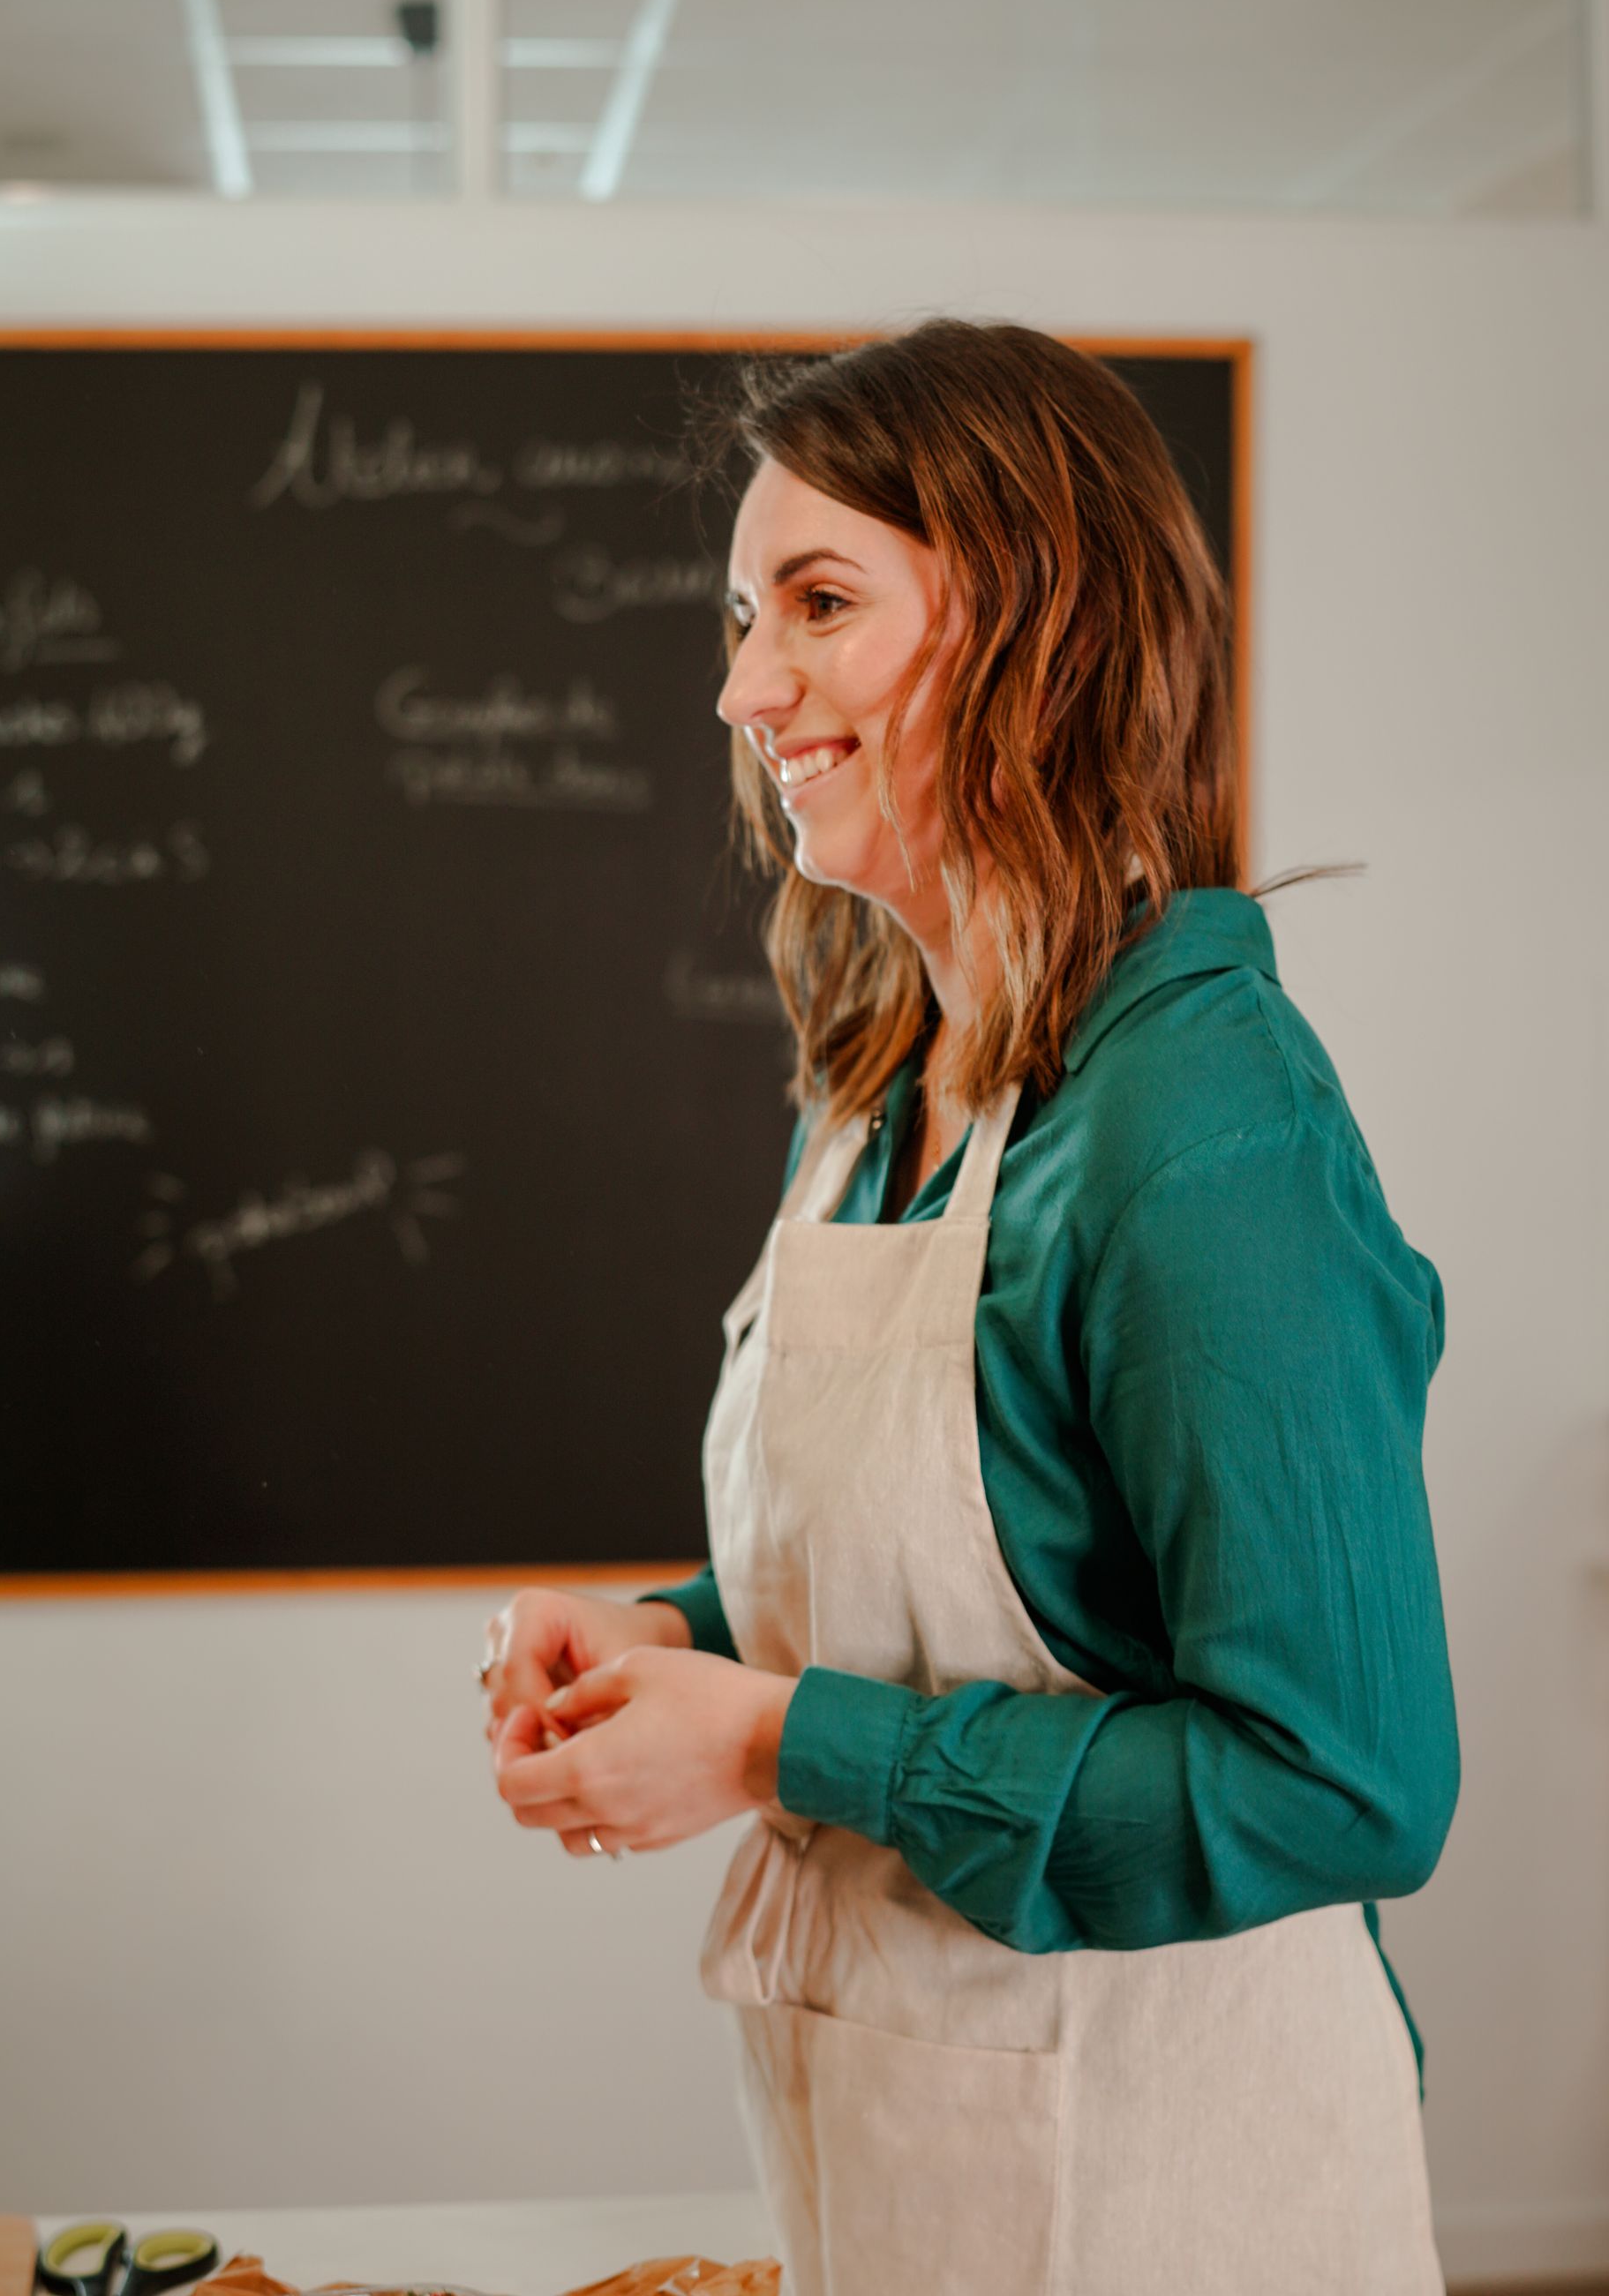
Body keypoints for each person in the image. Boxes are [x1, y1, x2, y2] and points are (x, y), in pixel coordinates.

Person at [482, 319, 1458, 2296]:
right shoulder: (878, 1083)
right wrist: (678, 1636)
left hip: (1185, 2209)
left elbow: (1340, 1782)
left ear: (1041, 623)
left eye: (820, 604)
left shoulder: (1207, 1124)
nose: (744, 685)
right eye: (744, 615)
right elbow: (981, 1571)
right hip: (909, 2180)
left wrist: (775, 1746)